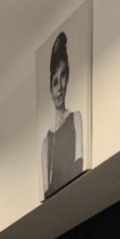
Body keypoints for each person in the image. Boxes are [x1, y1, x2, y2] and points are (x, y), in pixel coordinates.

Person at [41, 31, 84, 199]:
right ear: (50, 88)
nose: (59, 88)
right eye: (55, 82)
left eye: (63, 76)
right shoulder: (46, 143)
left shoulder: (76, 119)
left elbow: (79, 166)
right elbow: (47, 196)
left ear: (68, 75)